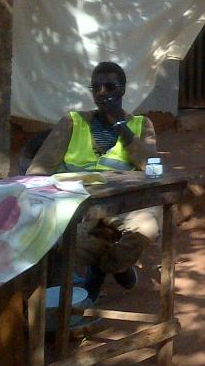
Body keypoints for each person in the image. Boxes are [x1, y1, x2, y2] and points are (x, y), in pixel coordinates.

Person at [27, 62, 158, 300]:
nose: (102, 93)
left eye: (110, 87)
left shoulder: (141, 124)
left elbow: (153, 170)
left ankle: (109, 266)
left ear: (123, 90)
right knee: (70, 246)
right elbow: (38, 169)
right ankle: (71, 302)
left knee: (147, 228)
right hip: (76, 204)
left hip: (120, 204)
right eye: (96, 87)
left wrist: (120, 125)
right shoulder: (72, 121)